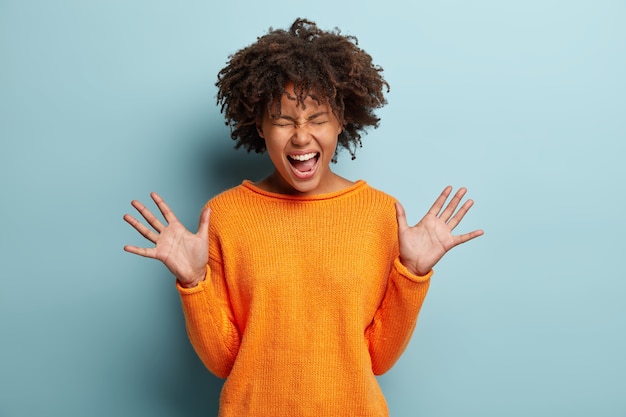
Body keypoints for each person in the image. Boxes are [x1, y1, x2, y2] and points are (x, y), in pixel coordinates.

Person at [123, 17, 483, 417]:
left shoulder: (380, 215)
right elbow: (224, 362)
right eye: (282, 120)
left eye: (317, 119)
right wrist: (194, 282)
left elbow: (378, 359)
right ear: (259, 125)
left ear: (342, 121)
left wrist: (412, 274)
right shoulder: (224, 215)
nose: (300, 136)